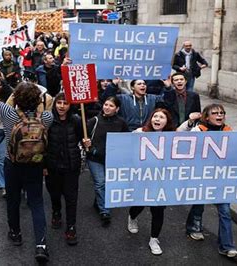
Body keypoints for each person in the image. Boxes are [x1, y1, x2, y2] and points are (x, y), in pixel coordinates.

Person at [0, 64, 53, 262]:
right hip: (36, 163)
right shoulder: (45, 117)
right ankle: (41, 244)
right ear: (38, 99)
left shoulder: (7, 113)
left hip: (13, 163)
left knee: (13, 200)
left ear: (16, 98)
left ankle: (15, 233)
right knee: (36, 202)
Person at [177, 103, 237, 258]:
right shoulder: (199, 130)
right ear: (206, 116)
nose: (219, 115)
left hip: (221, 178)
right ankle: (193, 228)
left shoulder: (228, 131)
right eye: (215, 113)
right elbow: (184, 143)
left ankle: (226, 246)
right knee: (199, 205)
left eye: (222, 113)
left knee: (225, 211)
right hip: (202, 175)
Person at [127, 108, 176, 255]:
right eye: (155, 116)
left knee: (158, 210)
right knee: (139, 205)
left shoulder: (173, 137)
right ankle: (132, 217)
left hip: (162, 180)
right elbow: (124, 145)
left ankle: (154, 239)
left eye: (162, 117)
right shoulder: (140, 132)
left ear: (167, 122)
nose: (157, 119)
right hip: (143, 178)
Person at [82, 96, 129, 226]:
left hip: (113, 159)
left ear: (117, 109)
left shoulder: (121, 123)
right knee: (100, 183)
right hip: (95, 158)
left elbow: (127, 139)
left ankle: (98, 202)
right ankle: (105, 212)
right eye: (106, 104)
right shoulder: (94, 121)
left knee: (107, 184)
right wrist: (85, 142)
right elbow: (83, 136)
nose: (107, 108)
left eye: (111, 106)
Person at [44, 93, 82, 246]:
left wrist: (86, 143)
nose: (61, 106)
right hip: (52, 166)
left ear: (70, 105)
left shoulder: (77, 121)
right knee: (54, 193)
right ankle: (56, 211)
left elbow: (81, 138)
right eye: (59, 102)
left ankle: (71, 226)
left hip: (71, 166)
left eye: (65, 103)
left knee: (71, 198)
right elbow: (43, 144)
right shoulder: (48, 121)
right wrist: (44, 166)